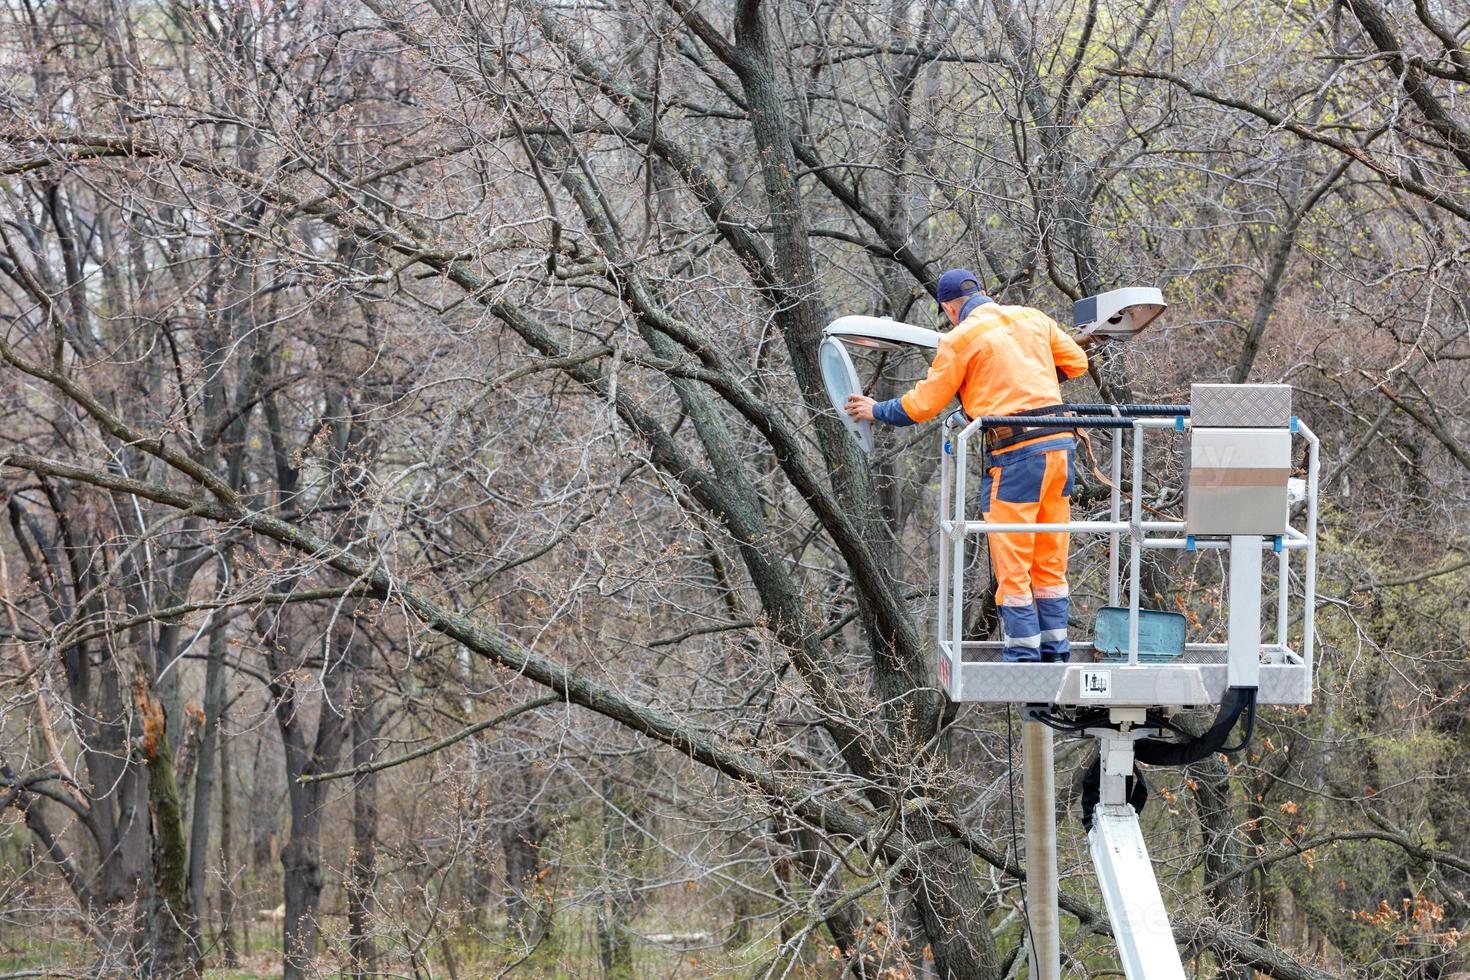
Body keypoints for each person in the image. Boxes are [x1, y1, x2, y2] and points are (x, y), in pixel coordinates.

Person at [845, 269, 1090, 663]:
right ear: (985, 293)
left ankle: (1025, 659)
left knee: (1014, 563)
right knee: (1049, 557)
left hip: (1015, 455)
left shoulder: (960, 339)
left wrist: (877, 410)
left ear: (948, 308)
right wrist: (1028, 371)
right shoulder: (1032, 317)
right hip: (1061, 447)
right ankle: (1055, 651)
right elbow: (1076, 363)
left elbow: (923, 404)